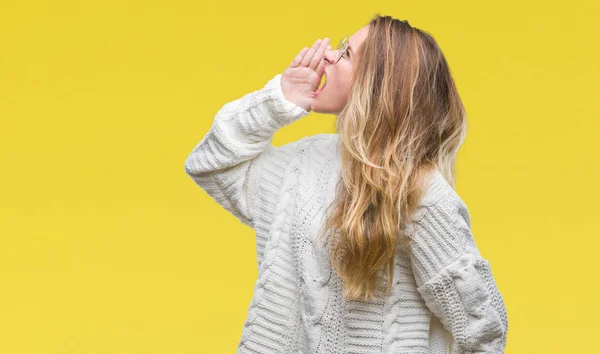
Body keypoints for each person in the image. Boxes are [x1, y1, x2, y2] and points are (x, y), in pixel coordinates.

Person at [184, 13, 508, 354]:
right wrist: (278, 101)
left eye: (347, 54)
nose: (327, 57)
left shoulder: (422, 193)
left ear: (378, 85)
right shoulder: (302, 162)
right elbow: (209, 164)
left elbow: (483, 328)